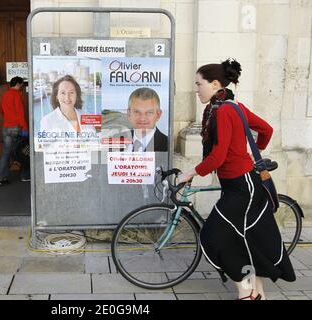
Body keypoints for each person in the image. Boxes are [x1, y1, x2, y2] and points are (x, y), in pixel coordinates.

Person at [177, 59, 296, 300]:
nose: (196, 89)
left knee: (212, 236)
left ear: (215, 84)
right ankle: (258, 292)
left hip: (243, 187)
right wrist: (250, 154)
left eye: (199, 84)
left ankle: (245, 289)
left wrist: (190, 173)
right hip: (240, 183)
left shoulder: (223, 111)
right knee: (248, 238)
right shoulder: (231, 107)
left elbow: (219, 155)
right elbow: (266, 130)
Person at [0, 76, 30, 186]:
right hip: (17, 128)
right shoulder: (17, 95)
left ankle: (0, 178)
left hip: (6, 127)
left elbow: (1, 110)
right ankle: (25, 176)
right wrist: (25, 128)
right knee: (26, 151)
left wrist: (9, 119)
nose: (22, 87)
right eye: (22, 85)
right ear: (18, 84)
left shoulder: (5, 95)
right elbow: (20, 114)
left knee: (6, 153)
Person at [126, 87, 168, 152]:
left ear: (158, 115)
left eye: (149, 112)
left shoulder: (168, 145)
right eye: (137, 112)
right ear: (128, 113)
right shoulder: (116, 140)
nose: (142, 119)